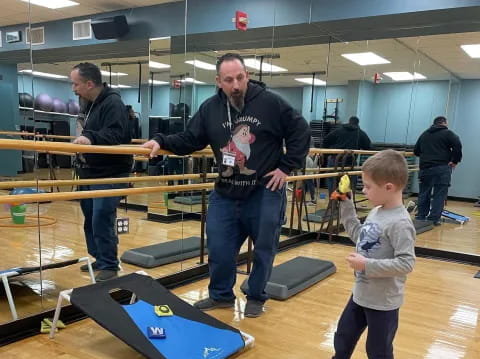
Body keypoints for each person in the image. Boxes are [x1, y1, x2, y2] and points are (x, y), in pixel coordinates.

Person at [143, 53, 310, 317]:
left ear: (248, 76)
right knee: (219, 248)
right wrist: (161, 142)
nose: (236, 85)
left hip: (264, 191)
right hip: (226, 192)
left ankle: (256, 296)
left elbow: (300, 130)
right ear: (219, 81)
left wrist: (286, 166)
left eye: (240, 78)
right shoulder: (210, 108)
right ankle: (221, 295)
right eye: (229, 80)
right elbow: (190, 139)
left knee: (264, 248)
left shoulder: (270, 103)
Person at [332, 149, 416, 359]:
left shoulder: (401, 223)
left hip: (383, 303)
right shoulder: (376, 211)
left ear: (389, 187)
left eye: (368, 187)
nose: (364, 190)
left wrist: (366, 265)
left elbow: (406, 263)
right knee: (342, 338)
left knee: (378, 352)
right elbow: (360, 236)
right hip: (360, 295)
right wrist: (347, 205)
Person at [70, 62, 132, 282]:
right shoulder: (89, 104)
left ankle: (109, 264)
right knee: (90, 218)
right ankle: (100, 256)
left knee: (101, 218)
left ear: (89, 83)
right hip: (89, 172)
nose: (73, 88)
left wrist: (91, 138)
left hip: (110, 173)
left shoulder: (112, 103)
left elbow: (116, 135)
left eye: (76, 84)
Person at [413, 116, 462, 225]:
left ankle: (420, 216)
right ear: (444, 123)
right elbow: (457, 145)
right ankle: (434, 219)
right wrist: (455, 161)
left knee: (424, 193)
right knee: (439, 194)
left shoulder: (424, 134)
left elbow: (416, 151)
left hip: (425, 168)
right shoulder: (448, 133)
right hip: (442, 168)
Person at [323, 116, 371, 193]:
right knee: (350, 184)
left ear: (349, 121)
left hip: (335, 160)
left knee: (332, 181)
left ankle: (332, 200)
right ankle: (348, 201)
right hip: (350, 163)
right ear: (357, 123)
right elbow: (368, 147)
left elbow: (325, 140)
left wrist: (328, 153)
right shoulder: (360, 133)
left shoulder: (338, 130)